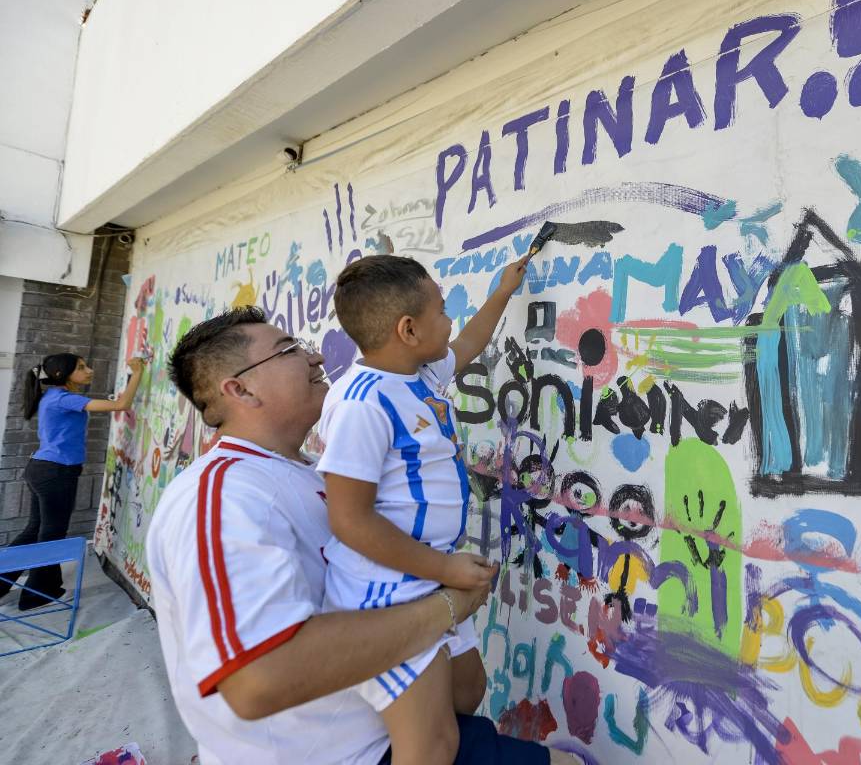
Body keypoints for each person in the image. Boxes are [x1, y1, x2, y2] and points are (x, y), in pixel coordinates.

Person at [150, 306, 568, 764]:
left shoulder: (313, 475)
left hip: (393, 734)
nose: (314, 357)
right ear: (241, 388)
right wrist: (449, 605)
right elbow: (258, 678)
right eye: (288, 349)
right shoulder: (222, 496)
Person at [316, 253, 528, 764]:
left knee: (466, 691)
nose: (449, 316)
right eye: (441, 308)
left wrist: (502, 292)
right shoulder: (362, 403)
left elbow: (468, 345)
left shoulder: (422, 373)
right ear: (408, 329)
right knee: (434, 747)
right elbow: (349, 520)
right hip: (387, 594)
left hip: (428, 577)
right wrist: (447, 569)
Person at [0, 351, 145, 609]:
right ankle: (36, 594)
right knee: (50, 533)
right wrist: (138, 373)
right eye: (81, 367)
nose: (89, 370)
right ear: (62, 375)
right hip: (55, 472)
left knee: (36, 530)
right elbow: (120, 405)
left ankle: (7, 584)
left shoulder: (55, 398)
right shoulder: (63, 398)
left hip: (43, 469)